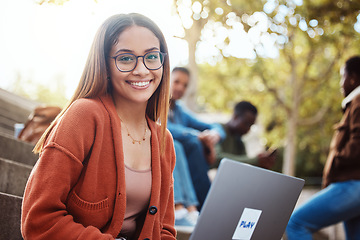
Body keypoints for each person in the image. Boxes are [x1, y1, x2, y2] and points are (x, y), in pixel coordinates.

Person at [21, 13, 176, 240]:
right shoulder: (84, 115)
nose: (142, 70)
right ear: (105, 64)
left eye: (151, 56)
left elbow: (165, 230)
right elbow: (38, 219)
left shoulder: (164, 140)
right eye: (125, 59)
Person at [285, 56, 360, 240]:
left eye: (342, 76)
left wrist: (336, 161)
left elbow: (358, 144)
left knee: (296, 223)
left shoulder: (358, 99)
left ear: (353, 77)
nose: (341, 83)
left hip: (352, 183)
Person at [167, 67, 225, 210]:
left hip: (186, 160)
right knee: (192, 144)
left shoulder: (180, 111)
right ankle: (203, 206)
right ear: (167, 80)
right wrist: (199, 136)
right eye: (176, 82)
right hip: (170, 153)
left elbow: (215, 126)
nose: (180, 87)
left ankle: (203, 207)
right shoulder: (155, 103)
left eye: (185, 85)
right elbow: (165, 127)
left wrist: (214, 135)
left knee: (196, 147)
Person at [214, 101, 276, 169]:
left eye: (251, 126)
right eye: (246, 124)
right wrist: (255, 160)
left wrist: (260, 164)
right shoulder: (217, 130)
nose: (248, 129)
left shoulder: (239, 142)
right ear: (235, 117)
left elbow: (242, 167)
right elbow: (215, 158)